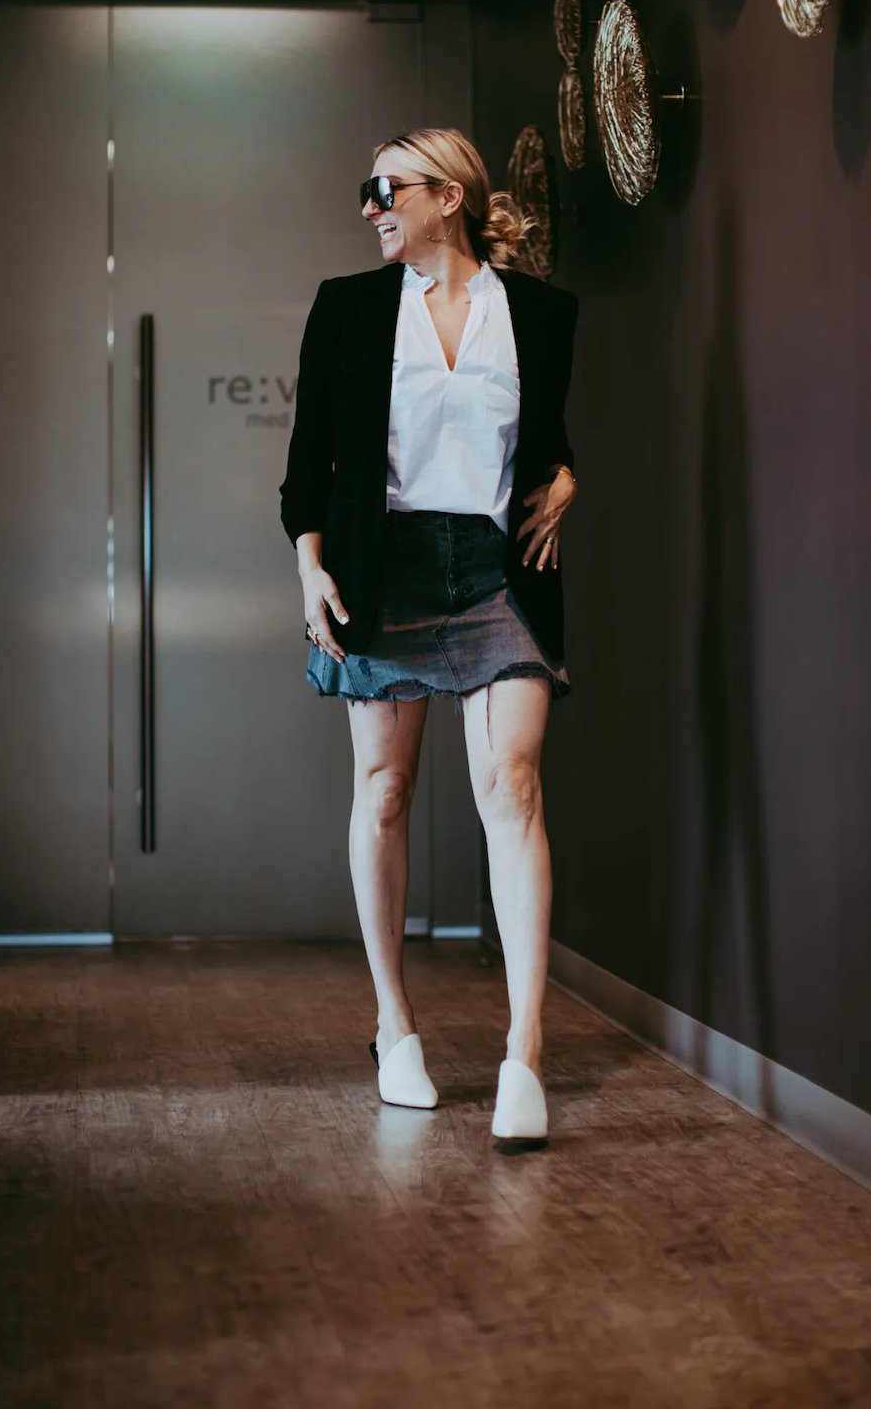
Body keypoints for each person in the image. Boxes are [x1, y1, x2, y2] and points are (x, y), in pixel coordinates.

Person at [278, 127, 579, 1141]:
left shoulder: (538, 313)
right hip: (382, 566)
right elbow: (308, 462)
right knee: (386, 788)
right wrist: (310, 565)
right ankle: (394, 1024)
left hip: (499, 569)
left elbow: (544, 441)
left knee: (515, 785)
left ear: (447, 197)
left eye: (385, 188)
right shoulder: (351, 309)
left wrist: (568, 475)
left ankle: (524, 1053)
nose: (370, 206)